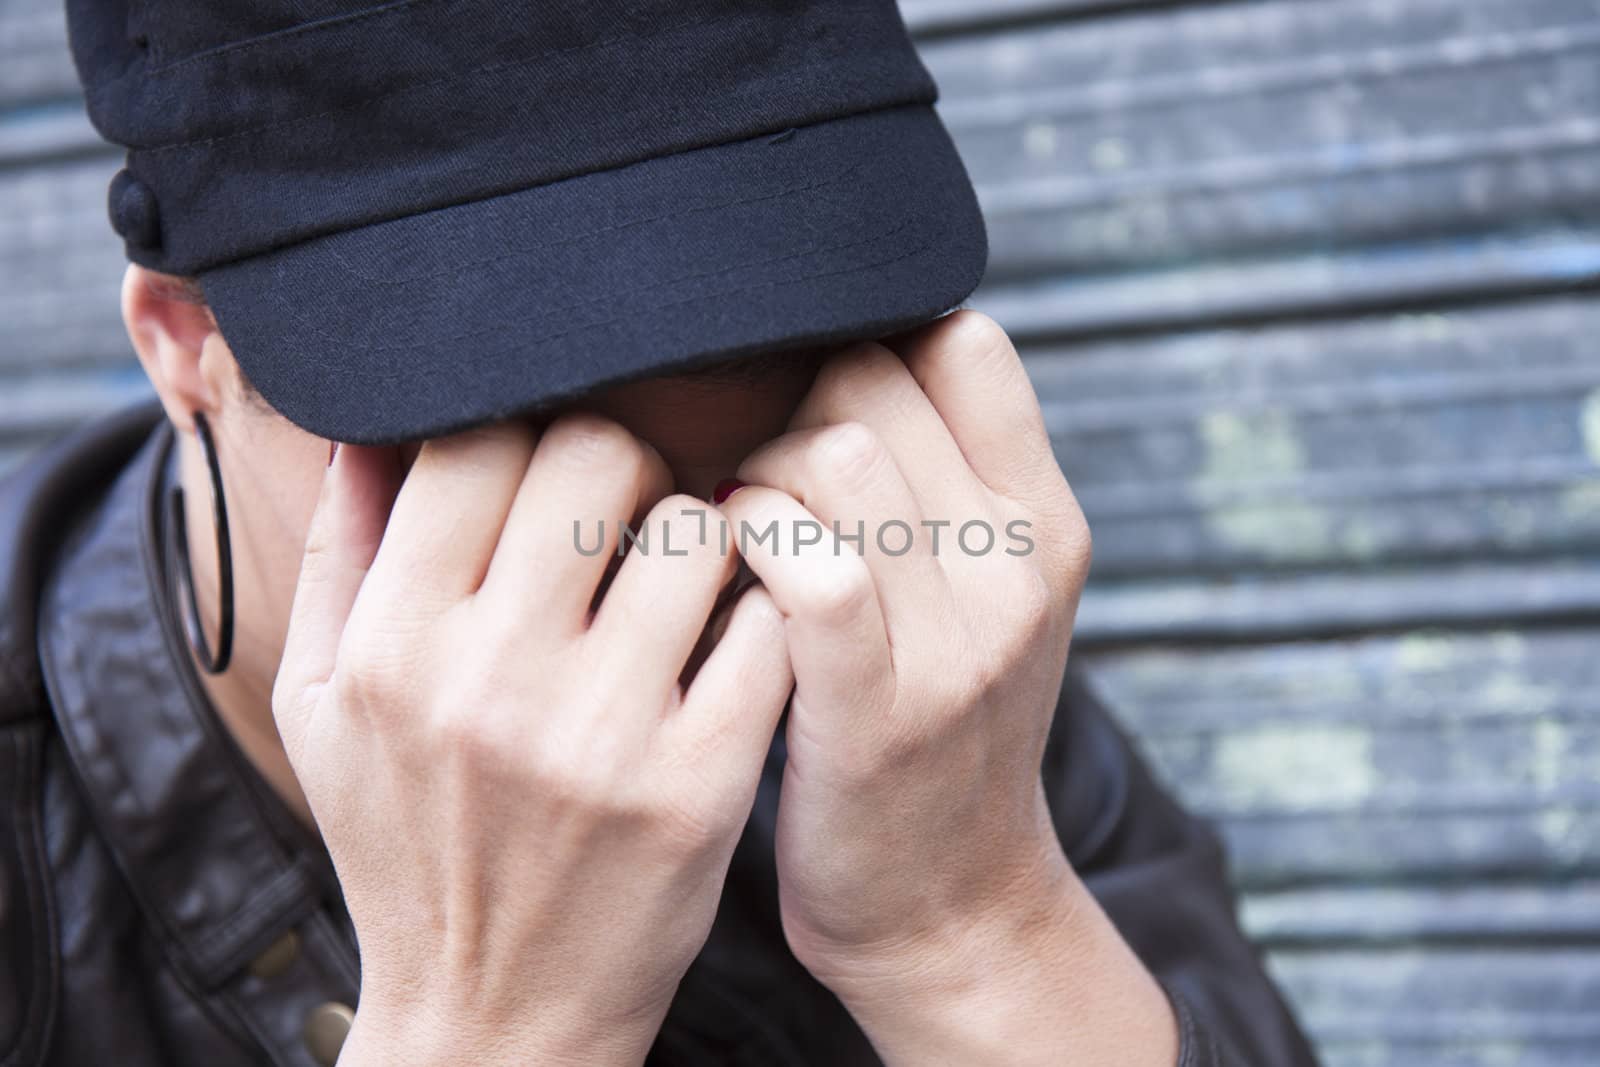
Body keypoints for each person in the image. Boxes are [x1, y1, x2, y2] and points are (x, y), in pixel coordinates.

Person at [1, 0, 1319, 1064]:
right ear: (186, 348)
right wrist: (499, 1033)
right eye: (487, 423)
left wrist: (972, 929)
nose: (674, 550)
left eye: (770, 360)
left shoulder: (868, 641)